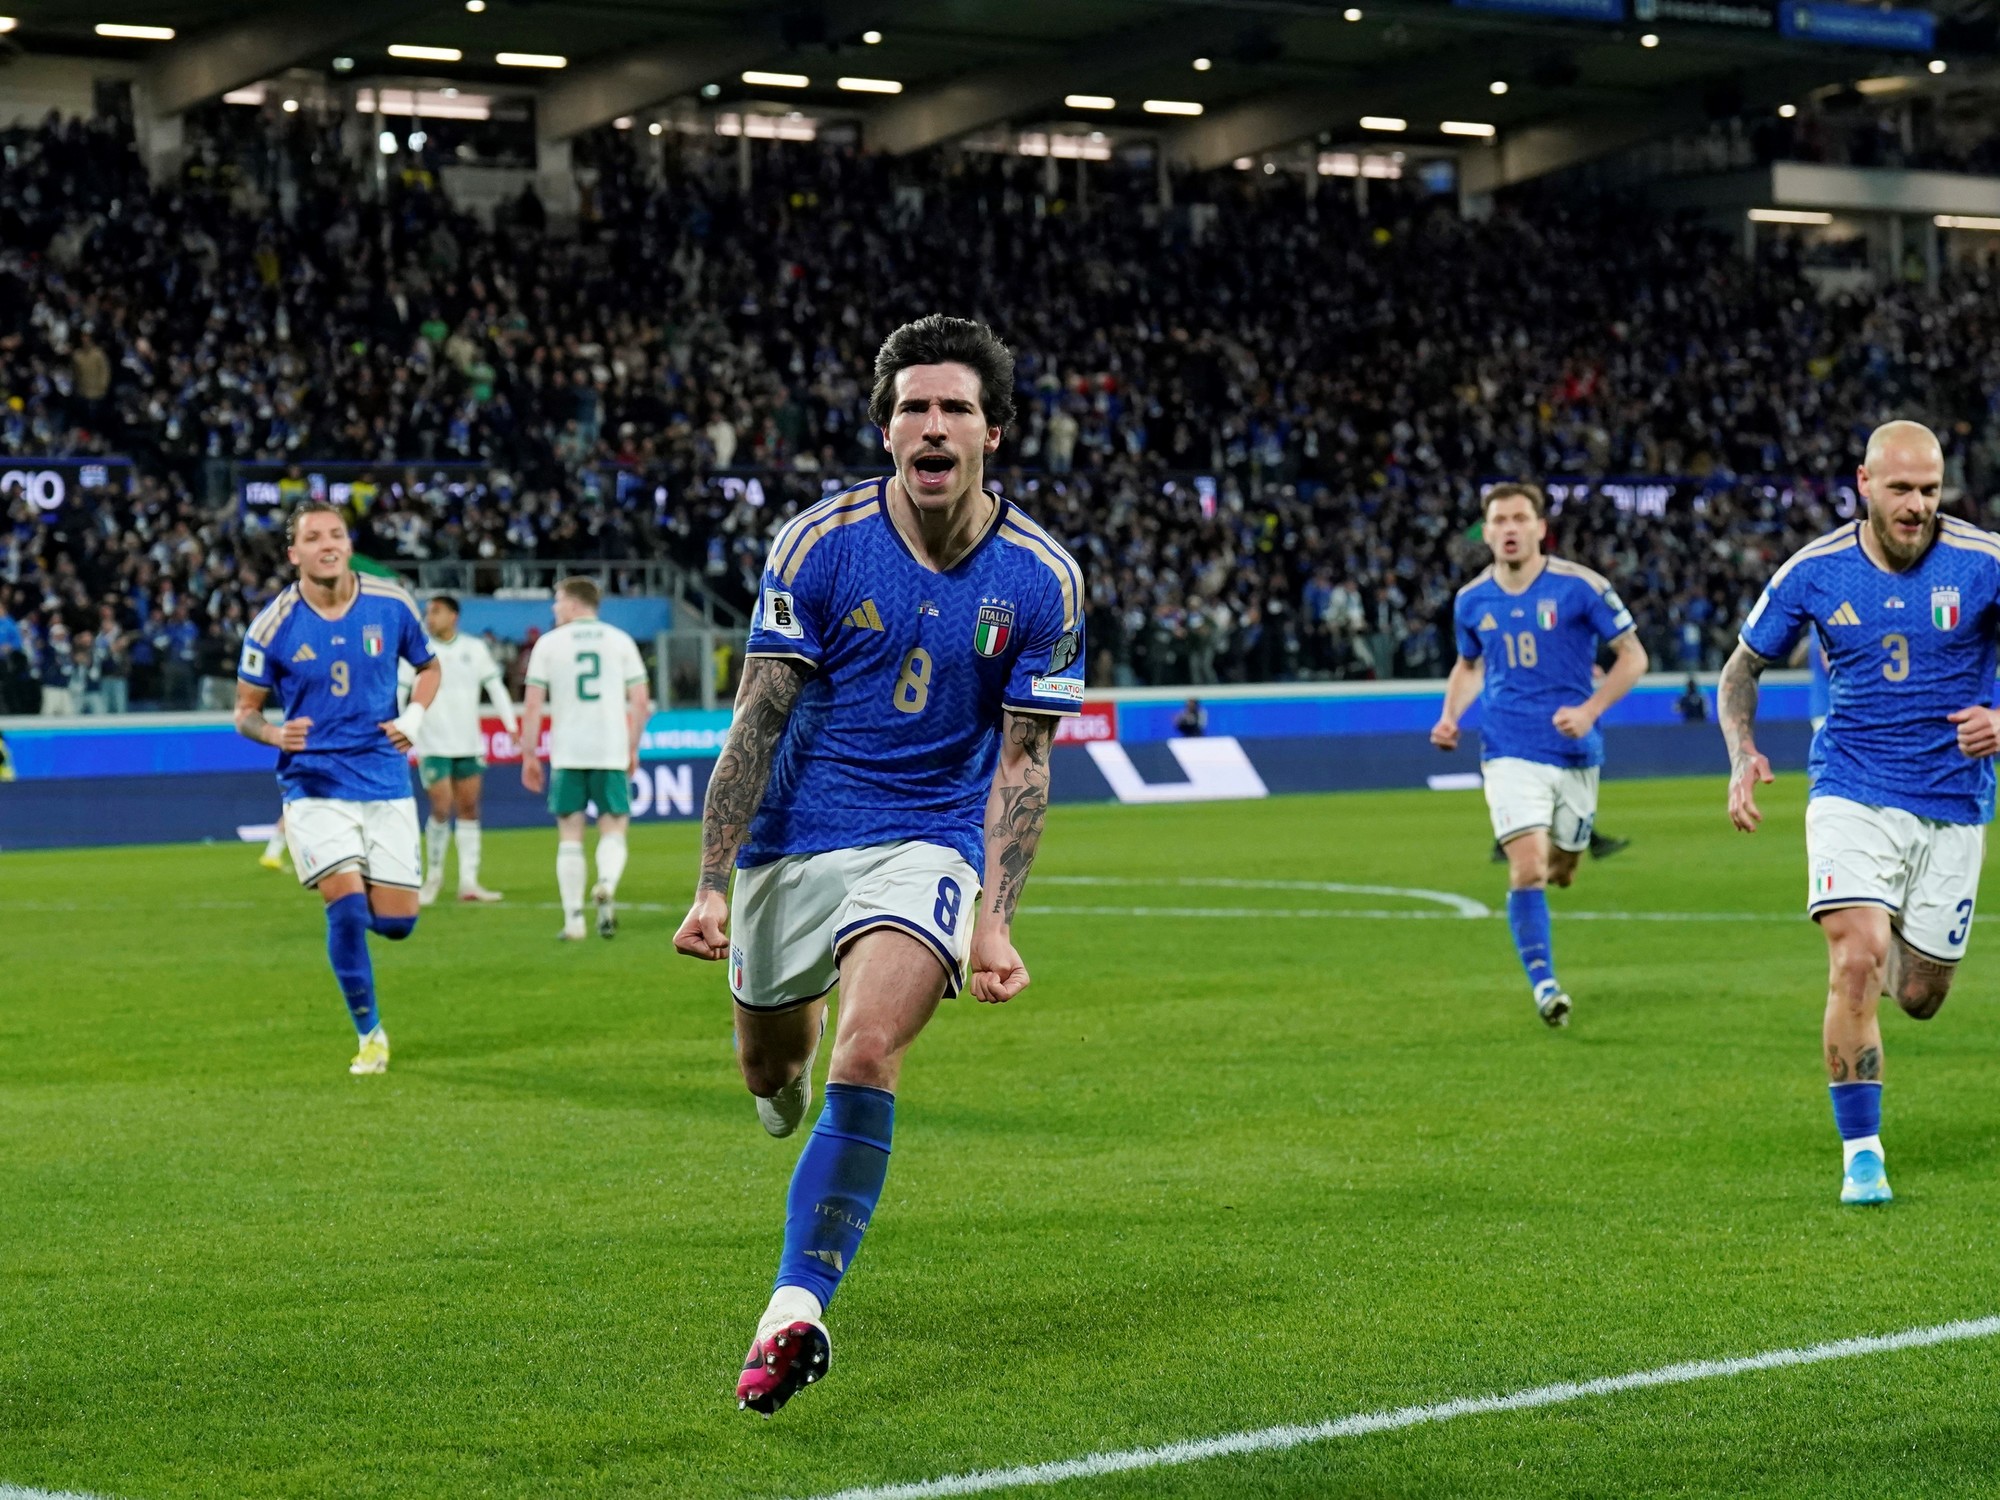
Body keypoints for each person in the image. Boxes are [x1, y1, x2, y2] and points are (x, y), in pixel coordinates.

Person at [671, 315, 1085, 1416]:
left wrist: (994, 919)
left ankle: (793, 1309)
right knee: (772, 1075)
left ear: (993, 431)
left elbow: (1024, 762)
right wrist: (711, 883)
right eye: (913, 408)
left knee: (867, 1050)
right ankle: (785, 1073)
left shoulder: (1042, 578)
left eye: (955, 408)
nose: (933, 425)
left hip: (927, 838)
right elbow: (756, 720)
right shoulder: (819, 544)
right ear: (886, 429)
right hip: (791, 839)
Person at [1719, 419, 2000, 1206]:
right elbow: (1741, 670)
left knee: (1919, 997)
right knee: (1856, 959)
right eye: (1901, 488)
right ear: (1864, 483)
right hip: (1852, 787)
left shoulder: (1983, 562)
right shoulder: (1816, 570)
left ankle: (1889, 945)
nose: (1917, 506)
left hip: (1954, 802)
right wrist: (1741, 753)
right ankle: (1863, 1154)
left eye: (1930, 490)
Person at [1431, 481, 1649, 1028]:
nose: (1509, 529)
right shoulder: (1471, 600)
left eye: (1519, 518)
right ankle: (1546, 986)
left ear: (1539, 528)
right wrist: (1450, 715)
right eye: (1498, 521)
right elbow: (1469, 665)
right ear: (1486, 533)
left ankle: (1565, 862)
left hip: (1574, 751)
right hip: (1507, 748)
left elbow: (1633, 656)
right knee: (1527, 868)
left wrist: (1591, 710)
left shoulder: (1581, 587)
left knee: (1562, 869)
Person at [234, 501, 440, 1075]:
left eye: (336, 534)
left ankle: (350, 900)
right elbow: (244, 712)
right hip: (314, 783)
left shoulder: (391, 603)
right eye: (313, 537)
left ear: (348, 545)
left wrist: (414, 718)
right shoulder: (272, 625)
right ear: (293, 553)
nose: (327, 544)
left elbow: (429, 668)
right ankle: (370, 1034)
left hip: (385, 777)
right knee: (346, 910)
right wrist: (273, 732)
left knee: (397, 923)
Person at [518, 578, 649, 940]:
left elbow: (532, 705)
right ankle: (606, 882)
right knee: (614, 827)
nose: (554, 607)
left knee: (570, 834)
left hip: (568, 752)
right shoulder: (620, 640)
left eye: (558, 600)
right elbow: (640, 702)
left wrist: (529, 754)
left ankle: (574, 920)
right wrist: (632, 747)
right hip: (610, 750)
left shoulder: (548, 644)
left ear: (574, 604)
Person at [407, 593, 519, 905]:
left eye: (436, 611)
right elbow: (401, 690)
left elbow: (495, 686)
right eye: (428, 612)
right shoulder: (417, 650)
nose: (430, 617)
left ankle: (469, 882)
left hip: (468, 743)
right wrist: (402, 725)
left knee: (469, 808)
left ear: (453, 616)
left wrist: (511, 724)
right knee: (441, 807)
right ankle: (433, 878)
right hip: (433, 743)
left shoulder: (474, 648)